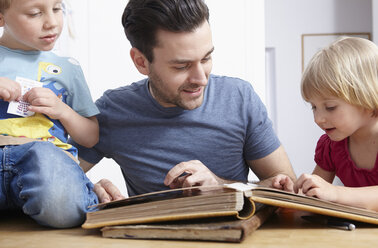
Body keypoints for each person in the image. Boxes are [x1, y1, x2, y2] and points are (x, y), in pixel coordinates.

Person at [70, 0, 296, 203]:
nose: (201, 79)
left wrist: (222, 186)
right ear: (141, 62)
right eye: (181, 66)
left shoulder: (239, 99)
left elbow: (288, 189)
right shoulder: (113, 111)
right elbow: (49, 182)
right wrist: (88, 191)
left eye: (206, 58)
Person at [0, 0, 99, 228]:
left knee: (65, 209)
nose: (52, 23)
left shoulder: (68, 68)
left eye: (57, 9)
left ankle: (81, 193)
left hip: (44, 157)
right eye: (35, 13)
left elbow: (91, 137)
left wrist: (62, 110)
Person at [277, 37, 378, 211]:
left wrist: (336, 193)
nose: (318, 118)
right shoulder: (332, 146)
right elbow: (318, 194)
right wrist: (295, 193)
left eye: (330, 107)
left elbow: (331, 192)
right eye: (313, 107)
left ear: (366, 97)